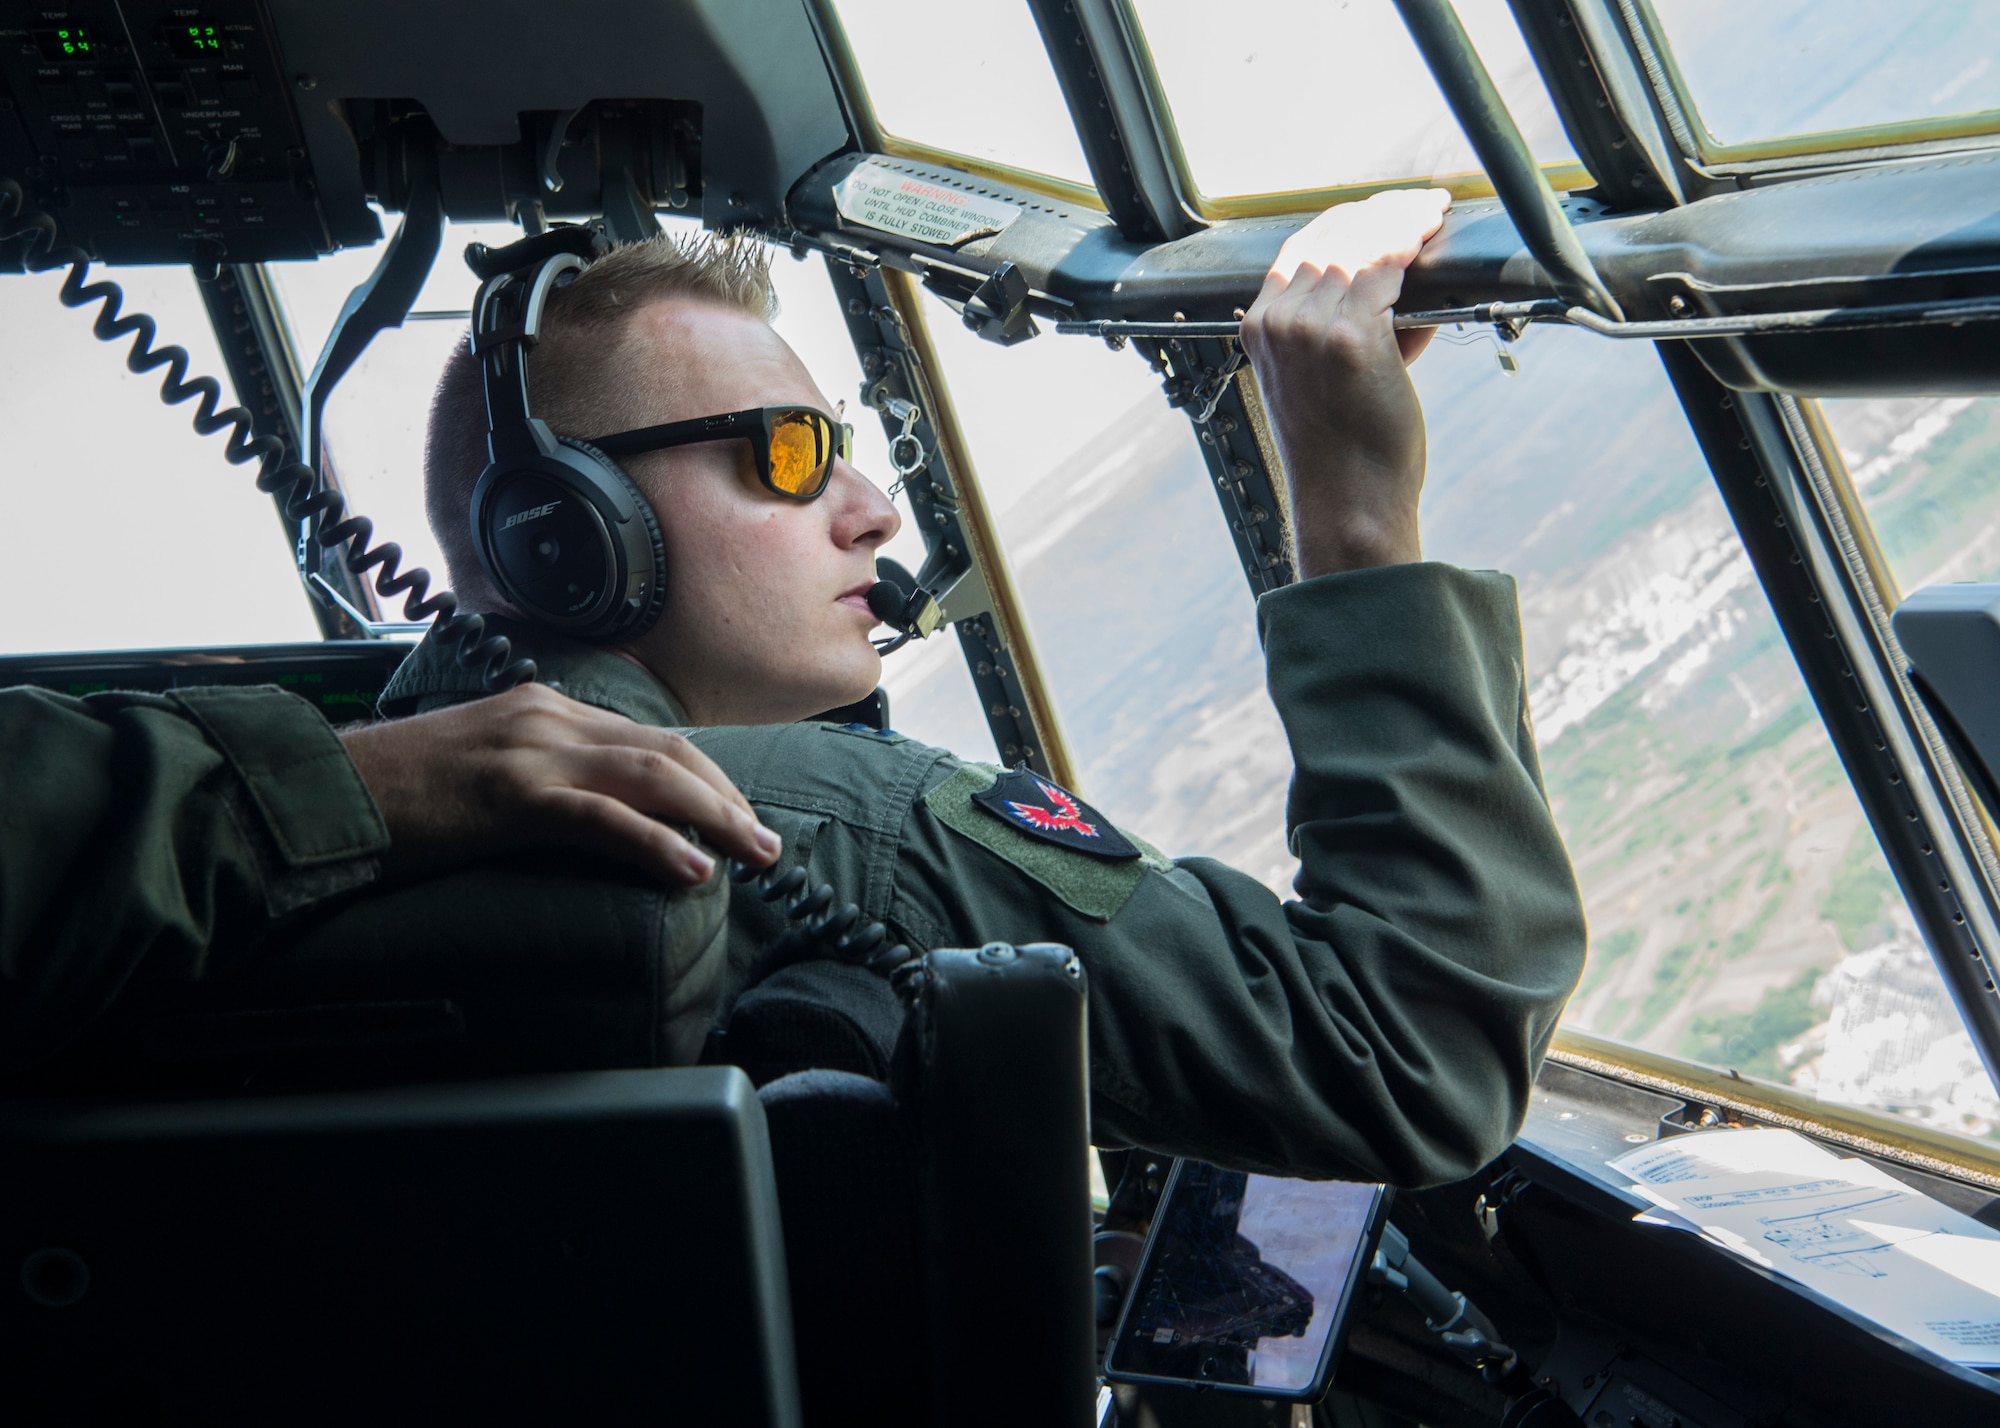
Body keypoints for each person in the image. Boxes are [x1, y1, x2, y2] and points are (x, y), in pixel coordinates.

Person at [383, 187, 1587, 1185]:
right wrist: (1355, 508)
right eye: (788, 455)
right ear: (571, 536)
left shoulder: (379, 798)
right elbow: (1415, 1058)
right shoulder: (807, 825)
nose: (873, 512)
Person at [0, 678, 778, 1073]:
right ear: (563, 520)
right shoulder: (866, 808)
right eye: (788, 453)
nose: (875, 510)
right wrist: (356, 783)